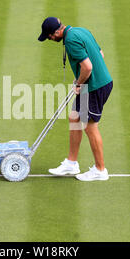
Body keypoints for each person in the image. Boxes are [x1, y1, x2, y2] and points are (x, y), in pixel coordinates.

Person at [38, 17, 113, 181]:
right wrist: (81, 80)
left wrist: (79, 83)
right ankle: (71, 164)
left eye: (50, 36)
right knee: (75, 118)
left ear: (57, 32)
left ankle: (100, 170)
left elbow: (87, 66)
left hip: (95, 87)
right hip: (92, 84)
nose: (50, 39)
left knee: (90, 127)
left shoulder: (71, 41)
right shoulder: (81, 31)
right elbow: (100, 53)